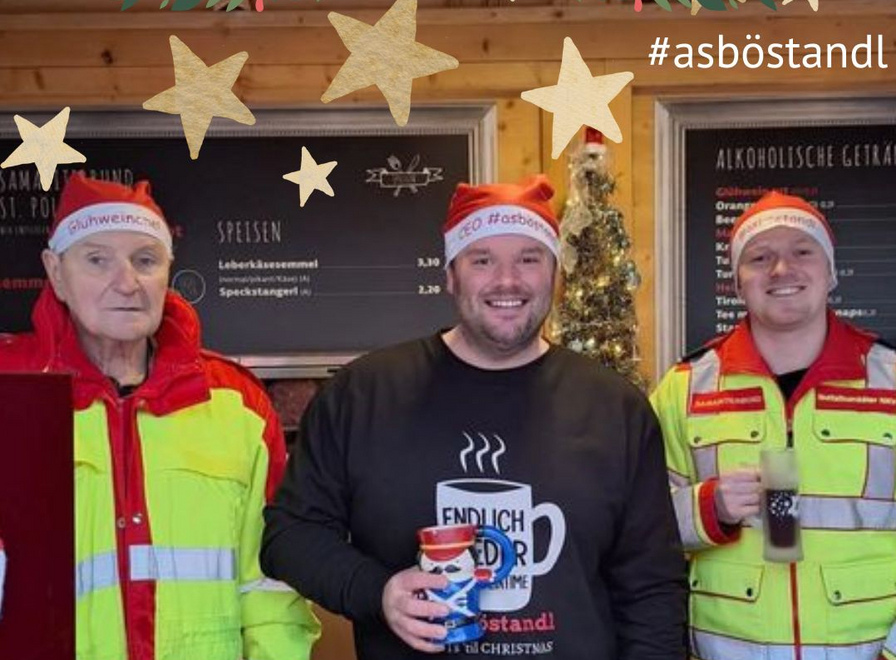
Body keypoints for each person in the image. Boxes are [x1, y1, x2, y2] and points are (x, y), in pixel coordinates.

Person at [261, 175, 686, 659]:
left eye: (529, 259)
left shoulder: (615, 408)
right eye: (482, 260)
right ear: (451, 274)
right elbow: (289, 536)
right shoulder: (362, 395)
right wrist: (376, 592)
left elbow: (652, 588)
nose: (507, 280)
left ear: (555, 274)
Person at [0, 173, 320, 660]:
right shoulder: (11, 392)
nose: (126, 282)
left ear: (167, 272)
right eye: (97, 259)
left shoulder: (237, 405)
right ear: (56, 272)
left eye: (145, 260)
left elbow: (270, 585)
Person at [651, 191, 896, 660]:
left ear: (831, 272)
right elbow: (639, 528)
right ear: (738, 283)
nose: (782, 270)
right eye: (760, 257)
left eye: (802, 252)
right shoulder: (686, 388)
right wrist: (707, 506)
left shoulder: (890, 381)